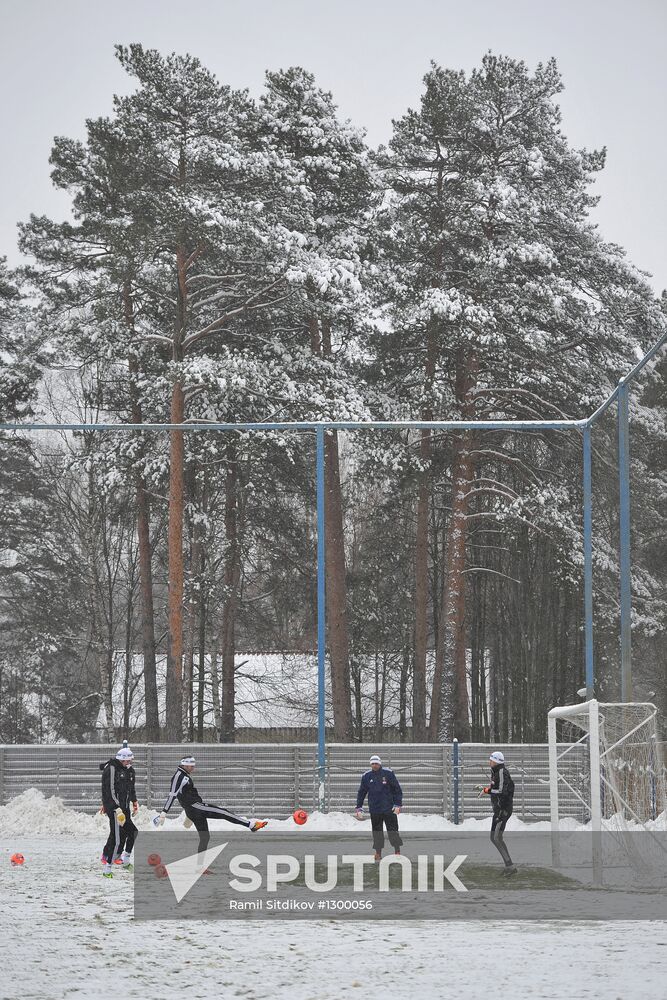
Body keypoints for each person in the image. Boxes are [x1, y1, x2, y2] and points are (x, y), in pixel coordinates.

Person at [153, 756, 268, 855]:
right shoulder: (179, 776)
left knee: (205, 837)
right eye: (191, 766)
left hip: (192, 810)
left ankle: (199, 867)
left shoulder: (183, 774)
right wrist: (163, 813)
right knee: (224, 812)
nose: (193, 767)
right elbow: (172, 794)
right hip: (196, 807)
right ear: (185, 765)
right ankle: (251, 825)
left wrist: (188, 812)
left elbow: (182, 794)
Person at [355, 754, 403, 861]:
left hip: (389, 809)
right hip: (375, 809)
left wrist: (397, 804)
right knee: (377, 832)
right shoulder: (366, 776)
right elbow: (361, 792)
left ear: (380, 763)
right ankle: (378, 853)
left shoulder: (388, 773)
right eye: (372, 764)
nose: (374, 765)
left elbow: (397, 790)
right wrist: (359, 807)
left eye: (376, 763)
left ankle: (397, 851)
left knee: (393, 831)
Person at [100, 747, 138, 877]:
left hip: (124, 809)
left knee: (133, 832)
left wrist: (134, 801)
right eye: (128, 760)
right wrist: (116, 807)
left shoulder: (129, 770)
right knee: (116, 839)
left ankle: (125, 860)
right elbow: (109, 790)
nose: (130, 762)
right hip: (115, 809)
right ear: (122, 759)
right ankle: (107, 869)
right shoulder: (111, 769)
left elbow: (130, 788)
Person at [481, 750, 517, 876]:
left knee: (496, 838)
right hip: (498, 810)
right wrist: (486, 789)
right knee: (494, 837)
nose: (489, 762)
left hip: (503, 810)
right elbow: (497, 788)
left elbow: (502, 792)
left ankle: (510, 867)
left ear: (496, 761)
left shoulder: (501, 772)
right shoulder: (496, 772)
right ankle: (509, 866)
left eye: (491, 760)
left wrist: (487, 791)